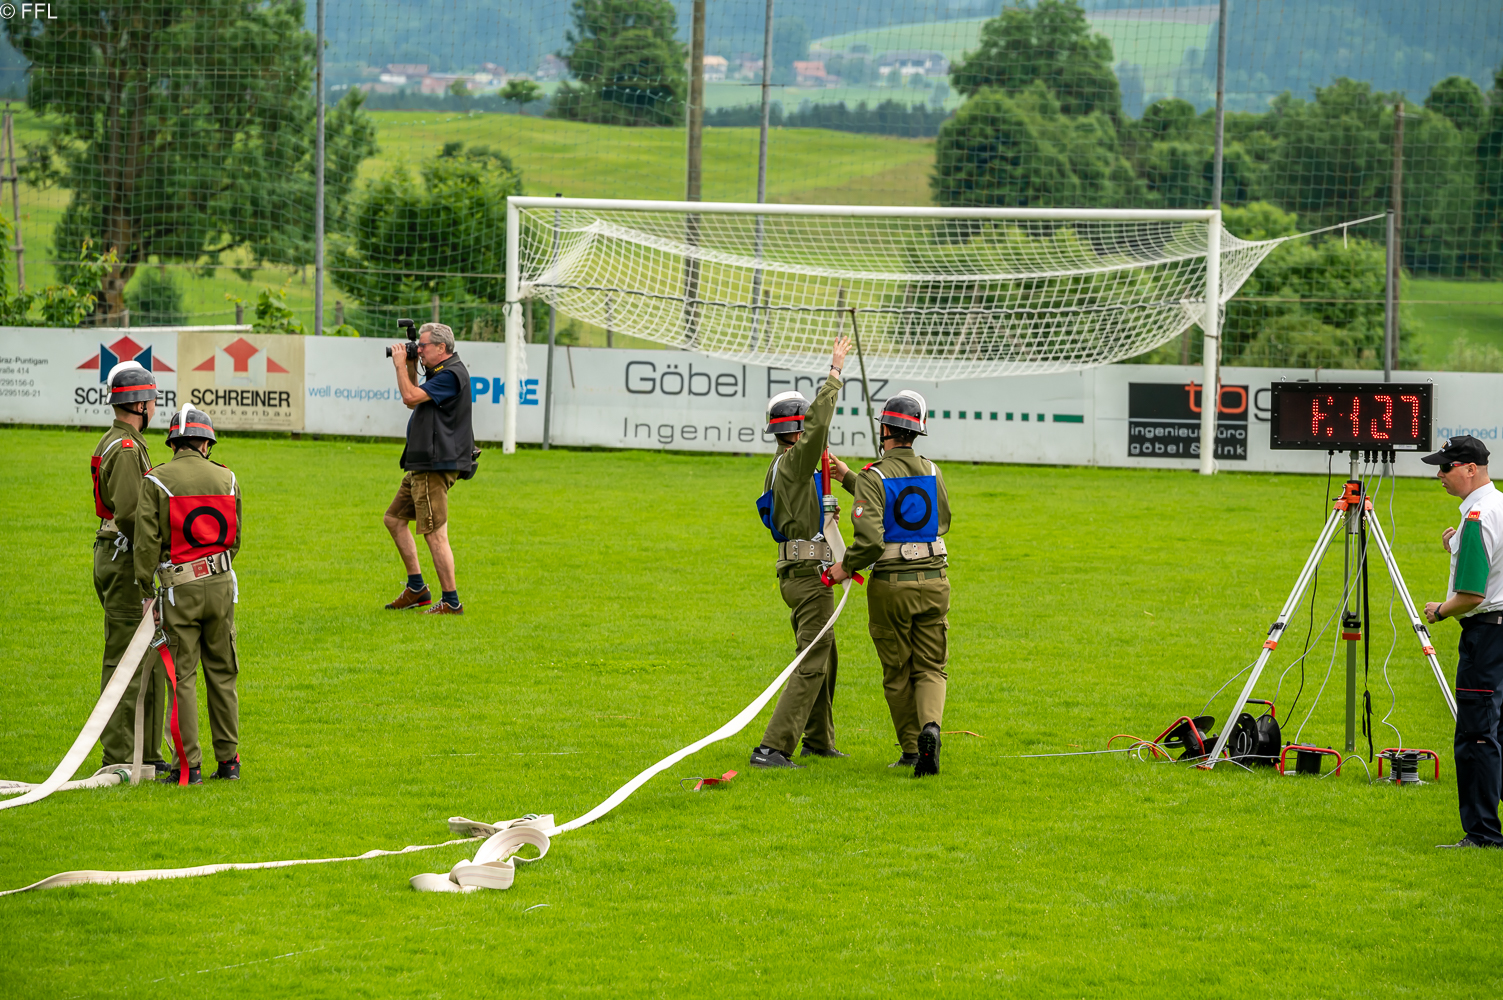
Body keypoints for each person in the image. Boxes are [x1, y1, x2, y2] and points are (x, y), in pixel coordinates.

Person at [828, 390, 951, 777]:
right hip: (936, 579)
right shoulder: (932, 470)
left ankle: (913, 750)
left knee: (897, 672)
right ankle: (931, 728)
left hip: (891, 586)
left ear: (885, 430)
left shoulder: (874, 475)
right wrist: (848, 478)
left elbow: (870, 541)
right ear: (916, 433)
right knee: (931, 667)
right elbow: (942, 519)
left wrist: (845, 567)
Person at [749, 336, 856, 769]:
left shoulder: (781, 466)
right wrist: (834, 374)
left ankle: (819, 740)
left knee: (825, 652)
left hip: (798, 570)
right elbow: (819, 425)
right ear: (796, 431)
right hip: (811, 574)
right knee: (813, 657)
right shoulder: (795, 462)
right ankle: (772, 748)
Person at [135, 405, 243, 784]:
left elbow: (146, 545)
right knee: (223, 673)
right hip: (222, 584)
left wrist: (146, 588)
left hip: (179, 589)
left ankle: (188, 767)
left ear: (174, 444)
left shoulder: (156, 480)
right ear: (205, 443)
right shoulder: (228, 478)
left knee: (182, 677)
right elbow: (236, 539)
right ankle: (229, 763)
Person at [1422, 435, 1503, 848]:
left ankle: (1483, 834)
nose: (1439, 474)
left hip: (1486, 636)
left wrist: (1440, 610)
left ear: (1470, 469)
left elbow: (1471, 594)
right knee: (1498, 731)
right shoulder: (1498, 505)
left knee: (1477, 735)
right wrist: (1457, 547)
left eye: (1445, 467)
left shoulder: (1476, 516)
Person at [91, 361, 169, 775]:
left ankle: (145, 753)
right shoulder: (124, 449)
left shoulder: (126, 442)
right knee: (126, 659)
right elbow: (130, 515)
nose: (154, 406)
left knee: (145, 655)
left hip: (123, 556)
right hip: (125, 560)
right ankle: (121, 756)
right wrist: (156, 561)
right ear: (140, 405)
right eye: (152, 400)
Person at [384, 322, 474, 615]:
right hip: (423, 462)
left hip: (435, 464)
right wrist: (411, 366)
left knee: (435, 533)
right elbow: (414, 399)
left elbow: (409, 397)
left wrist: (400, 365)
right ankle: (417, 588)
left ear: (441, 347)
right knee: (394, 519)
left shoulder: (451, 374)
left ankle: (451, 602)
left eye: (422, 346)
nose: (419, 350)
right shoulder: (440, 372)